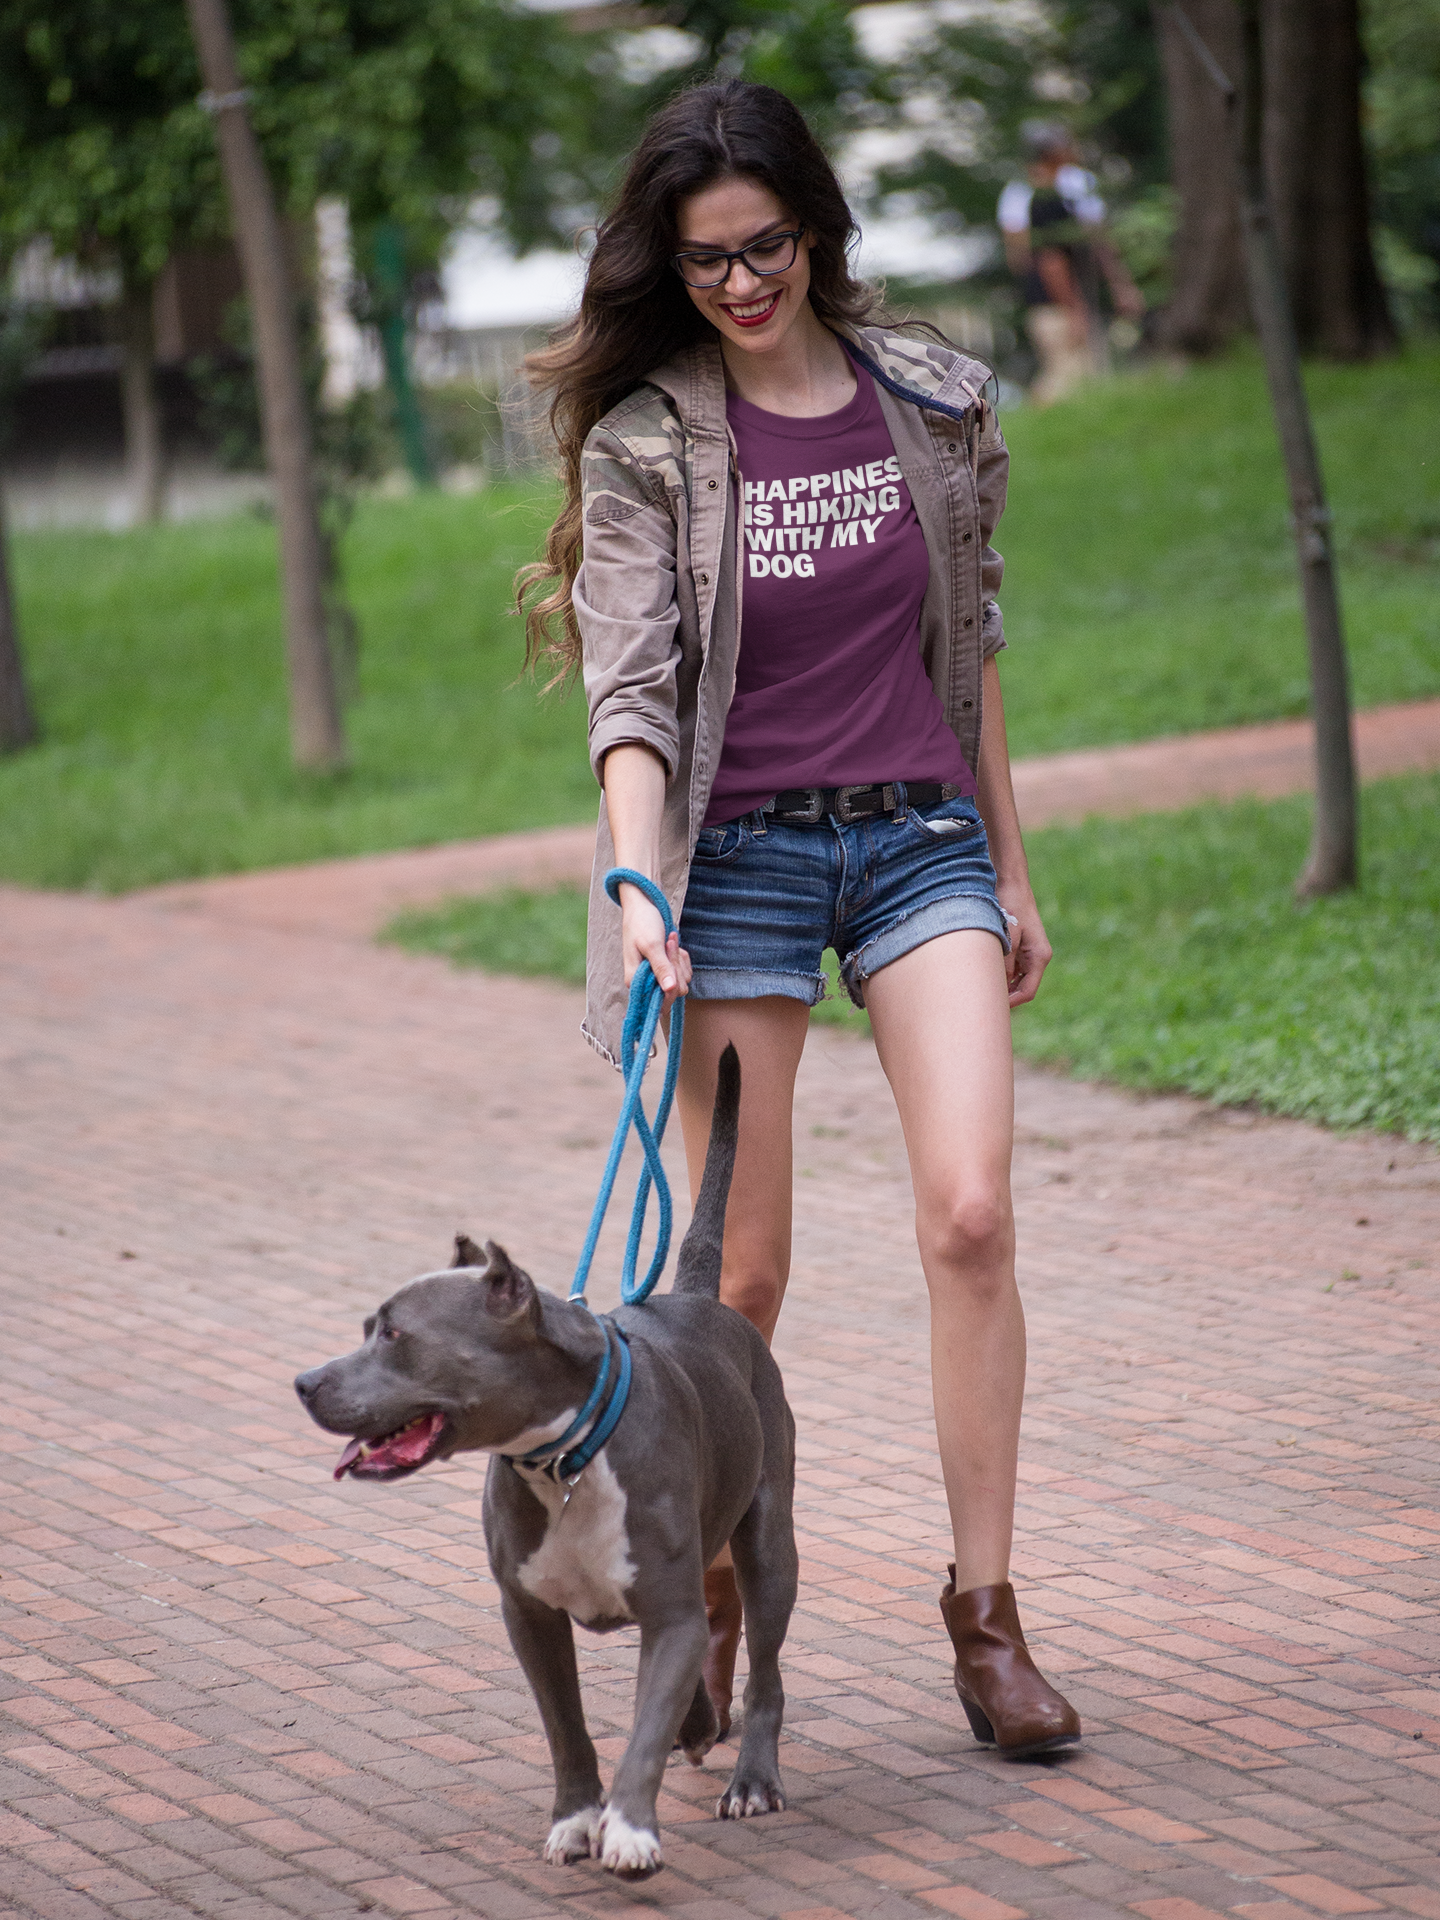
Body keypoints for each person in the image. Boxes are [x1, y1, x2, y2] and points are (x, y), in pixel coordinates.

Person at [518, 79, 1080, 1761]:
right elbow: (631, 693)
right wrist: (640, 883)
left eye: (764, 248)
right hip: (736, 869)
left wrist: (1013, 867)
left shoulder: (930, 400)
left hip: (915, 845)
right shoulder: (649, 441)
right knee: (735, 1278)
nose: (741, 283)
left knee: (972, 1217)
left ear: (816, 230)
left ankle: (985, 1615)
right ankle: (703, 1596)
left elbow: (968, 657)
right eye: (705, 264)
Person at [997, 123, 1144, 406]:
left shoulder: (1057, 187)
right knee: (1070, 379)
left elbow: (1019, 257)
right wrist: (1075, 307)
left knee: (1077, 375)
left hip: (1065, 297)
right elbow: (1049, 259)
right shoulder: (1039, 196)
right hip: (1061, 300)